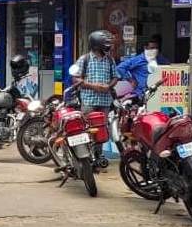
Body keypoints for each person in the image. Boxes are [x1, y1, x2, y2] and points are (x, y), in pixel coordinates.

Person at [72, 30, 119, 162]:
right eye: (105, 44)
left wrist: (109, 86)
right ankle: (85, 156)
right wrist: (93, 86)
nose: (108, 46)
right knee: (86, 129)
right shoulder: (84, 59)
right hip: (88, 101)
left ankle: (98, 155)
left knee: (100, 130)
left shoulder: (110, 60)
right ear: (97, 45)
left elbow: (115, 77)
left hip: (104, 102)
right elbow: (76, 79)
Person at [116, 34, 170, 99]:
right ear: (145, 48)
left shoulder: (160, 59)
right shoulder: (137, 59)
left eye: (156, 48)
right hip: (141, 94)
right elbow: (120, 68)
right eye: (152, 48)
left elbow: (169, 67)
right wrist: (131, 80)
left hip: (157, 93)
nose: (155, 50)